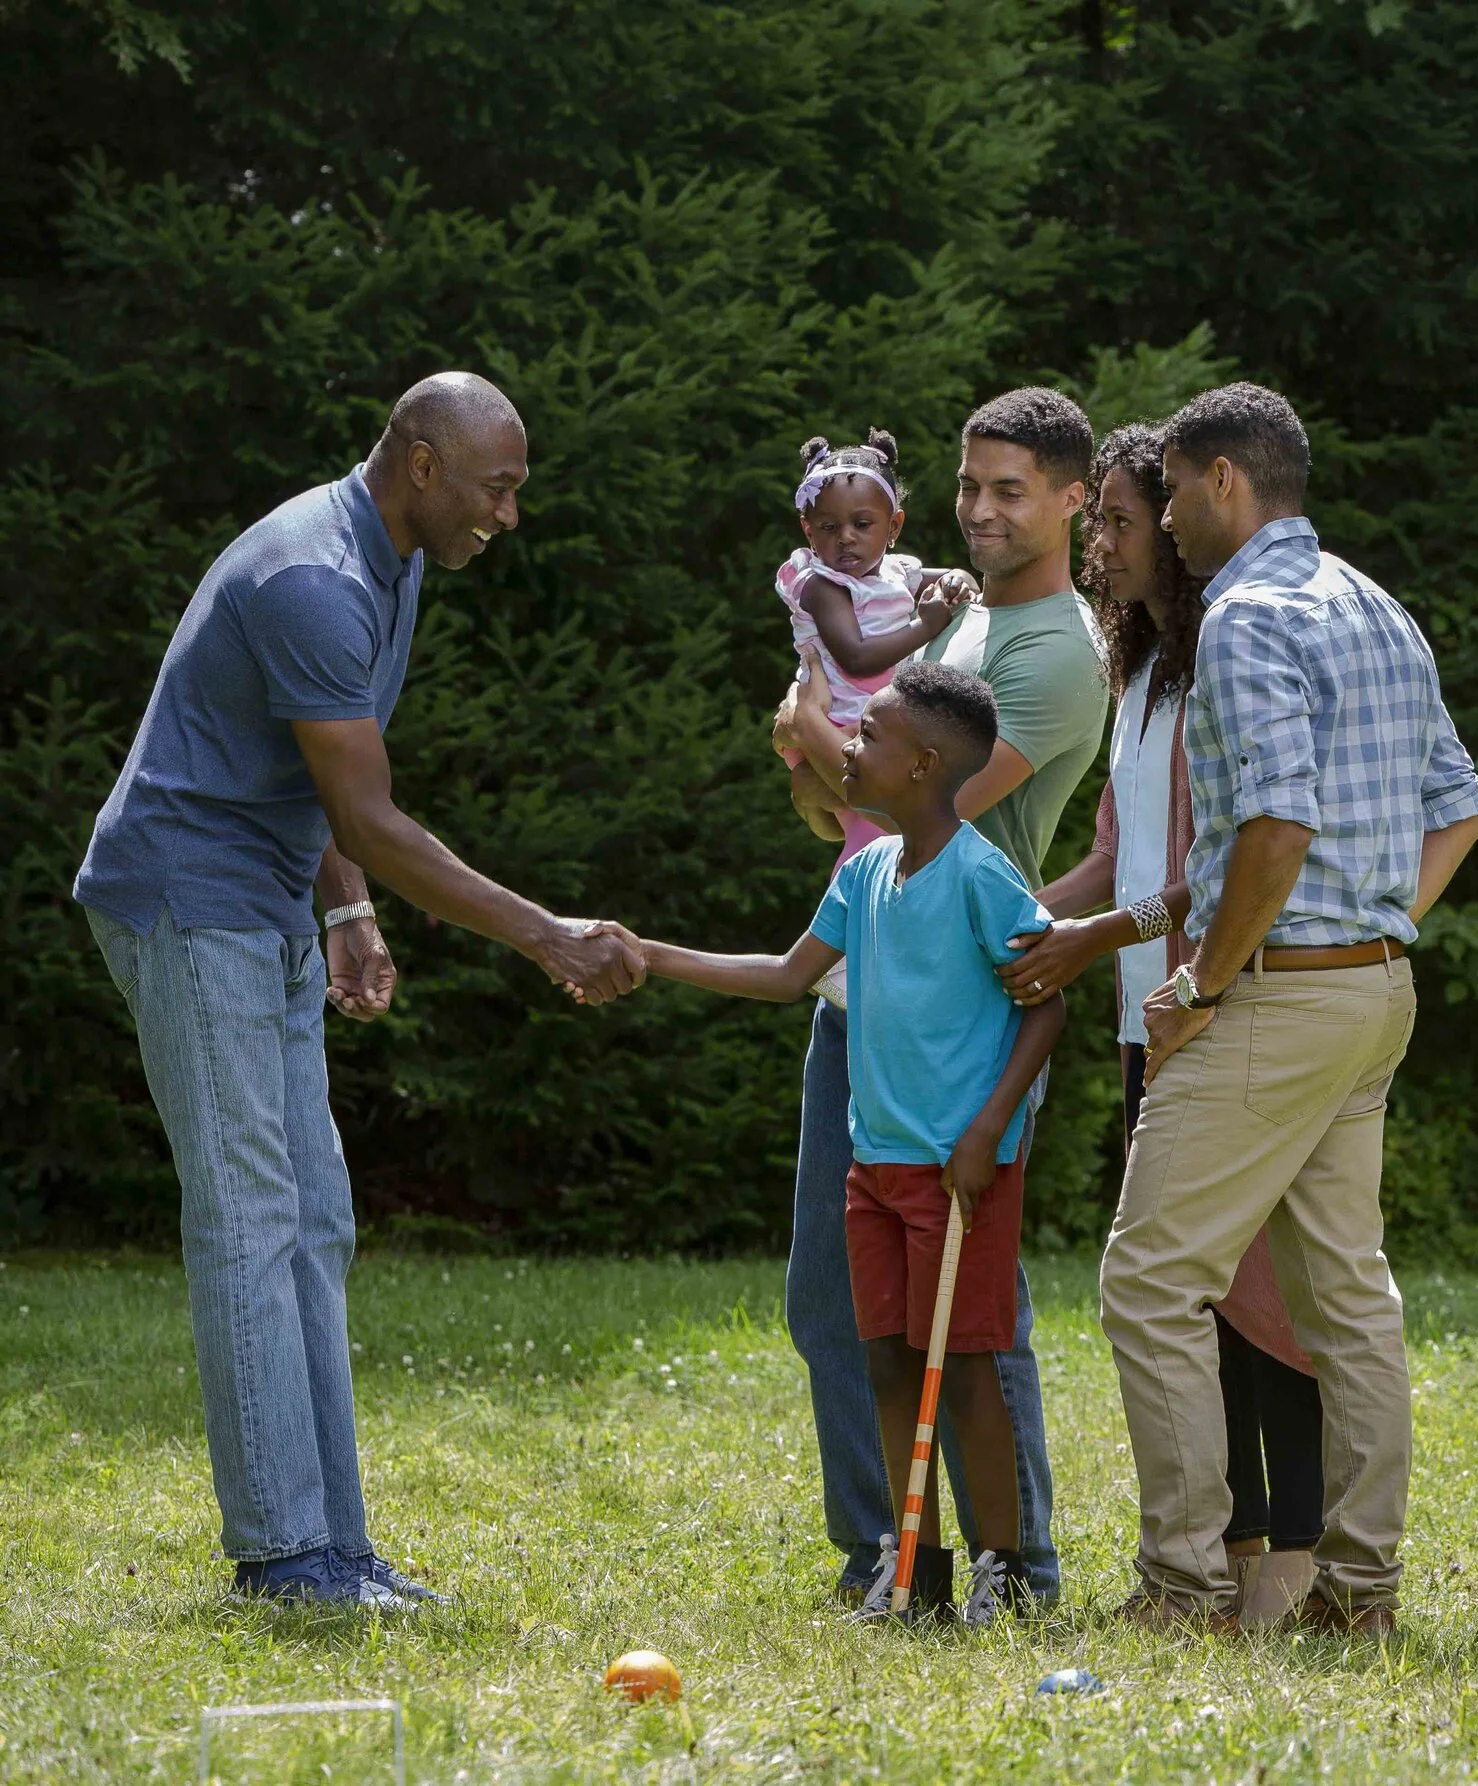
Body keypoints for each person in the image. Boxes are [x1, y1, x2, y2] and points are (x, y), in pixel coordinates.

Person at [72, 372, 646, 1609]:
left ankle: (337, 1546)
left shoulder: (393, 559)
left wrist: (342, 908)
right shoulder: (316, 578)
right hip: (185, 895)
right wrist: (546, 934)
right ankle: (285, 1558)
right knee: (248, 1217)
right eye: (499, 487)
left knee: (315, 1219)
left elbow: (323, 779)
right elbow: (372, 815)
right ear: (423, 466)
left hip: (266, 893)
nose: (509, 512)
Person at [1100, 383, 1478, 1637]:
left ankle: (1185, 1584)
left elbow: (1274, 824)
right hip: (1374, 994)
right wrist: (1382, 932)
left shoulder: (1248, 616)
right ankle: (1358, 1593)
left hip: (1274, 995)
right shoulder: (1379, 608)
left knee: (1151, 1279)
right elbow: (1461, 806)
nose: (1163, 519)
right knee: (1347, 1299)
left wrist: (1205, 983)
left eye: (1167, 493)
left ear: (1222, 480)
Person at [595, 661, 1063, 1627]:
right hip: (878, 1167)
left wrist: (987, 1134)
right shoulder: (862, 872)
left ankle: (1005, 1569)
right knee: (887, 1360)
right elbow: (784, 974)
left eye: (869, 737)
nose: (844, 747)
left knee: (967, 1363)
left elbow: (1045, 1006)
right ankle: (918, 1572)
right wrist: (652, 954)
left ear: (925, 763)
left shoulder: (982, 875)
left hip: (960, 1172)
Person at [775, 388, 1107, 1607]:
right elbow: (847, 810)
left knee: (973, 1318)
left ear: (1073, 499)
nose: (979, 510)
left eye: (1009, 488)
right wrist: (817, 755)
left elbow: (931, 812)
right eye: (970, 486)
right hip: (867, 992)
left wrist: (812, 733)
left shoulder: (1059, 652)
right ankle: (893, 1550)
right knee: (834, 1298)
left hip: (960, 1019)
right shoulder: (953, 624)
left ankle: (1018, 1565)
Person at [996, 422, 1326, 1629]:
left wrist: (1102, 937)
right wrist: (1024, 921)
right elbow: (1108, 853)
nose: (1104, 543)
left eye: (1124, 521)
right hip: (1153, 1016)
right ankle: (1234, 1545)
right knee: (1198, 1295)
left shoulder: (1220, 666)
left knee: (1260, 1293)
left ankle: (1296, 1550)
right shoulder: (1137, 674)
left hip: (1217, 1000)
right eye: (1102, 525)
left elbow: (1220, 865)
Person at [773, 427, 973, 870]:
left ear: (893, 526)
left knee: (874, 822)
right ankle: (856, 902)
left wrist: (959, 581)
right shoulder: (823, 586)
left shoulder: (894, 571)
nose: (846, 538)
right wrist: (926, 625)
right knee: (875, 835)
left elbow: (948, 579)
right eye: (829, 527)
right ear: (808, 531)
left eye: (862, 525)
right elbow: (856, 659)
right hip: (838, 720)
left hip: (870, 722)